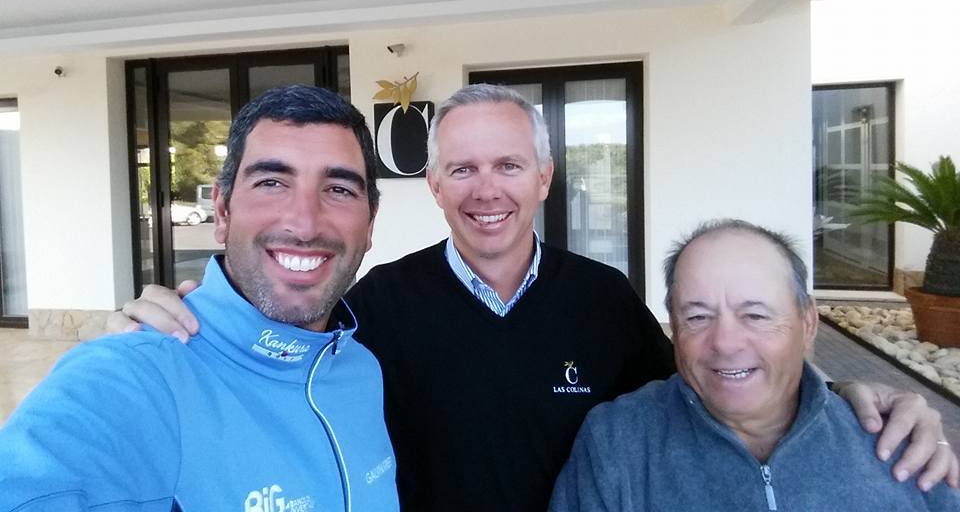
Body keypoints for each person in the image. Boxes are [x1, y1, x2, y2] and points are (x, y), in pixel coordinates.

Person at [114, 85, 958, 511]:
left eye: (509, 165)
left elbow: (718, 389)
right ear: (436, 187)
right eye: (463, 170)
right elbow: (279, 339)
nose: (488, 189)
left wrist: (848, 396)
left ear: (546, 178)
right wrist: (184, 314)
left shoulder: (603, 299)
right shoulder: (380, 301)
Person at [0, 86, 399, 512]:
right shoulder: (128, 379)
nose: (304, 223)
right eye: (271, 182)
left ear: (370, 223)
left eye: (339, 189)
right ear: (223, 213)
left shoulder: (362, 369)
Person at [549, 220, 960, 511]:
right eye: (697, 316)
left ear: (808, 322)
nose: (725, 343)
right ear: (673, 325)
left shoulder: (897, 443)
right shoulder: (616, 444)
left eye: (756, 315)